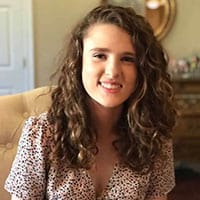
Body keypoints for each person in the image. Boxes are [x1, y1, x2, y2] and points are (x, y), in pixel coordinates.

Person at [5, 4, 176, 200]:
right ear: (78, 63)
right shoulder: (41, 134)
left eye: (128, 59)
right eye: (99, 56)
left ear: (143, 70)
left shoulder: (154, 137)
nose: (112, 71)